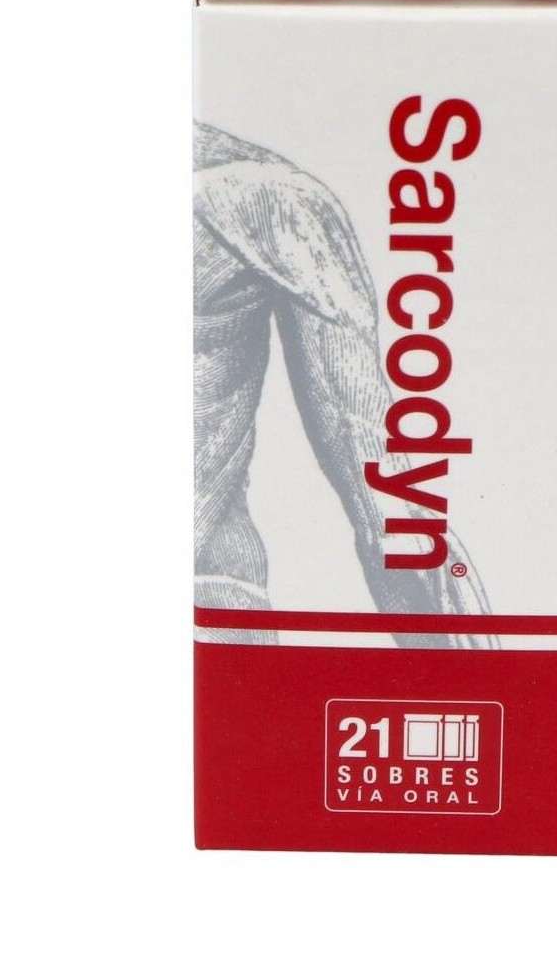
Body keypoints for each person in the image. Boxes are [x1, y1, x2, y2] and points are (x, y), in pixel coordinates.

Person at [193, 121, 496, 649]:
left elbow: (395, 516)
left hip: (211, 632)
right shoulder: (255, 192)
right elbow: (394, 512)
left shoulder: (254, 196)